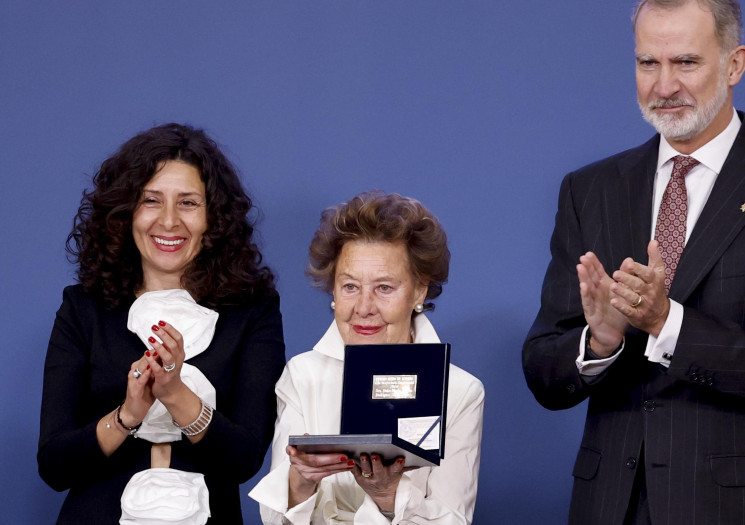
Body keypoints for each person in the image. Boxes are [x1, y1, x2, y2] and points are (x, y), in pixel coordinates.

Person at [522, 1, 745, 523]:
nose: (664, 85)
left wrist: (665, 323)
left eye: (686, 62)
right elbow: (543, 371)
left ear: (735, 64)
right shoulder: (590, 190)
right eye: (648, 63)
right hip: (611, 506)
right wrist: (599, 344)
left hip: (736, 509)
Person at [37, 123, 286, 524]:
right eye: (150, 200)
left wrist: (176, 395)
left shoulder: (252, 312)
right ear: (125, 212)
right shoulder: (83, 309)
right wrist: (127, 415)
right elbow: (54, 466)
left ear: (213, 216)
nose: (168, 221)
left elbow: (244, 460)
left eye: (188, 203)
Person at [250, 191, 484, 524]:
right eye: (350, 286)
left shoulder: (460, 391)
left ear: (419, 290)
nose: (363, 308)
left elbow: (453, 519)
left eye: (384, 288)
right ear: (333, 290)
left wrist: (387, 495)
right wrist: (301, 480)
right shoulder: (303, 375)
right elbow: (274, 519)